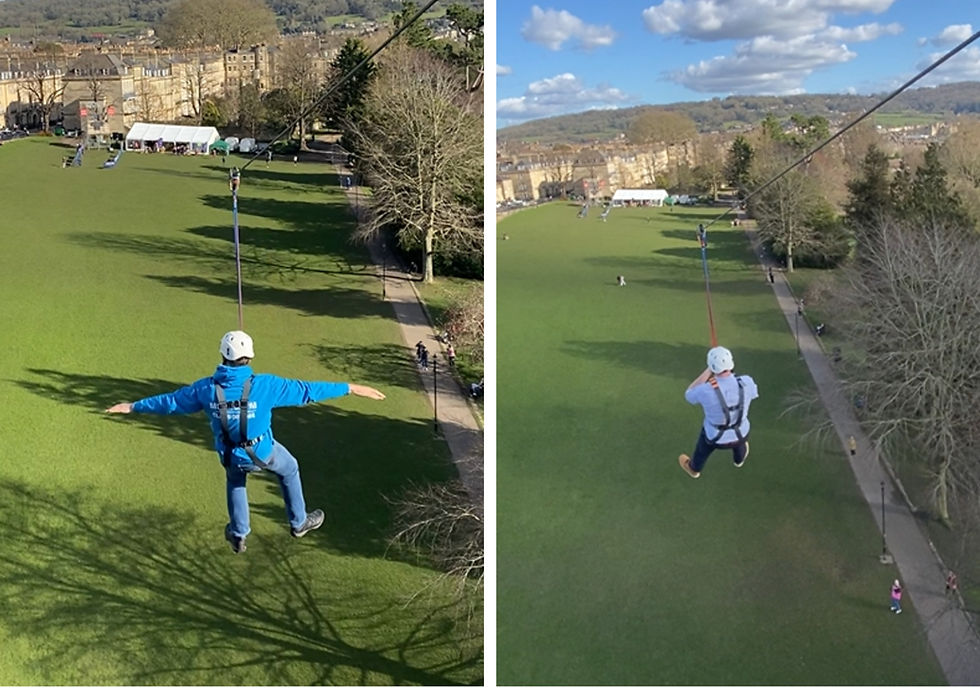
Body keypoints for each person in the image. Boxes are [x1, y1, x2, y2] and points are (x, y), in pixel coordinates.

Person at [105, 331, 386, 554]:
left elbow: (172, 403)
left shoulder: (206, 389)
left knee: (235, 479)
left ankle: (239, 534)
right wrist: (351, 388)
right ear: (249, 358)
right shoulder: (266, 385)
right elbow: (308, 391)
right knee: (290, 469)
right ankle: (299, 522)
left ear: (222, 356)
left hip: (231, 455)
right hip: (264, 451)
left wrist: (134, 406)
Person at [679, 346, 759, 479]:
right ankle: (739, 460)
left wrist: (709, 370)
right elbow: (753, 393)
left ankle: (694, 468)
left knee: (703, 446)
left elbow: (689, 394)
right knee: (740, 443)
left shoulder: (705, 390)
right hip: (740, 433)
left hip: (714, 437)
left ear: (712, 367)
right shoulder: (747, 382)